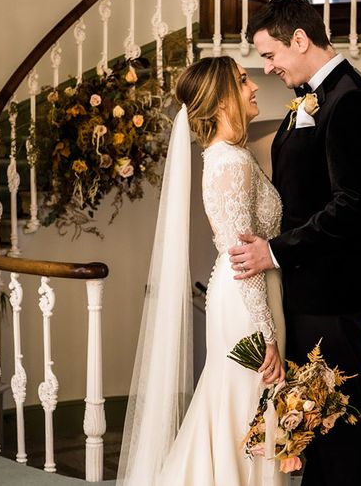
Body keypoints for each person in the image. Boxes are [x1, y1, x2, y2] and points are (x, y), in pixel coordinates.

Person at [229, 0, 361, 485]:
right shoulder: (315, 95)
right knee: (313, 420)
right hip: (307, 288)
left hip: (331, 291)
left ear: (299, 40)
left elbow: (353, 205)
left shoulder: (351, 99)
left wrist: (274, 251)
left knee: (336, 420)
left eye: (271, 54)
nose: (269, 67)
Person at [117, 56, 287, 486]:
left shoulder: (232, 155)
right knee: (249, 409)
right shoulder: (229, 162)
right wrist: (266, 334)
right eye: (243, 81)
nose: (254, 87)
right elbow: (242, 256)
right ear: (220, 102)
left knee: (241, 408)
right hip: (248, 304)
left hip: (252, 296)